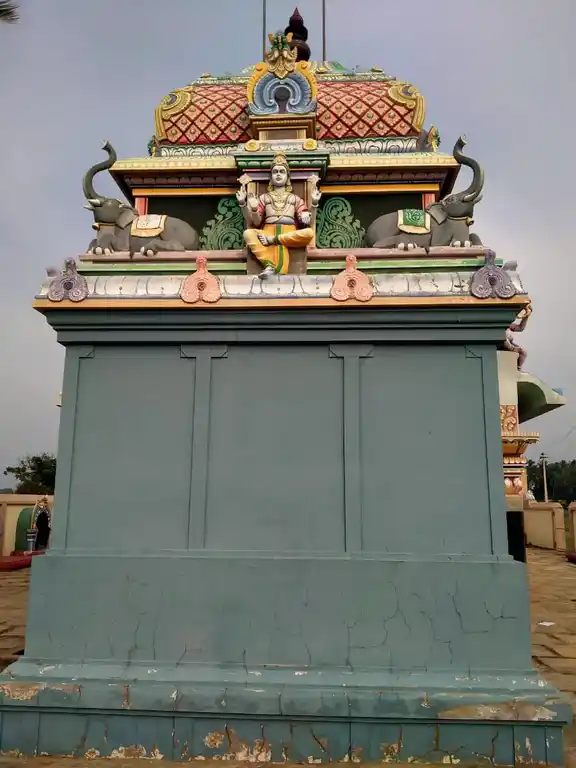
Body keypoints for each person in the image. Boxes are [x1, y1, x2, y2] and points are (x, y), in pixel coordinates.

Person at [237, 155, 321, 279]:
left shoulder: (295, 199)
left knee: (308, 233)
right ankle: (269, 265)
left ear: (287, 177)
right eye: (275, 172)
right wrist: (247, 205)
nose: (278, 174)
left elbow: (309, 222)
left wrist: (314, 203)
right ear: (270, 177)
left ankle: (274, 239)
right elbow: (255, 222)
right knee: (248, 234)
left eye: (282, 171)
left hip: (289, 232)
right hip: (267, 230)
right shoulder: (264, 198)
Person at [504, 303, 532, 370]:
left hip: (509, 344)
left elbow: (520, 328)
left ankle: (518, 368)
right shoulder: (499, 324)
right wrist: (512, 348)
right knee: (503, 337)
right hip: (503, 345)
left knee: (523, 353)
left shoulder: (508, 324)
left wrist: (526, 316)